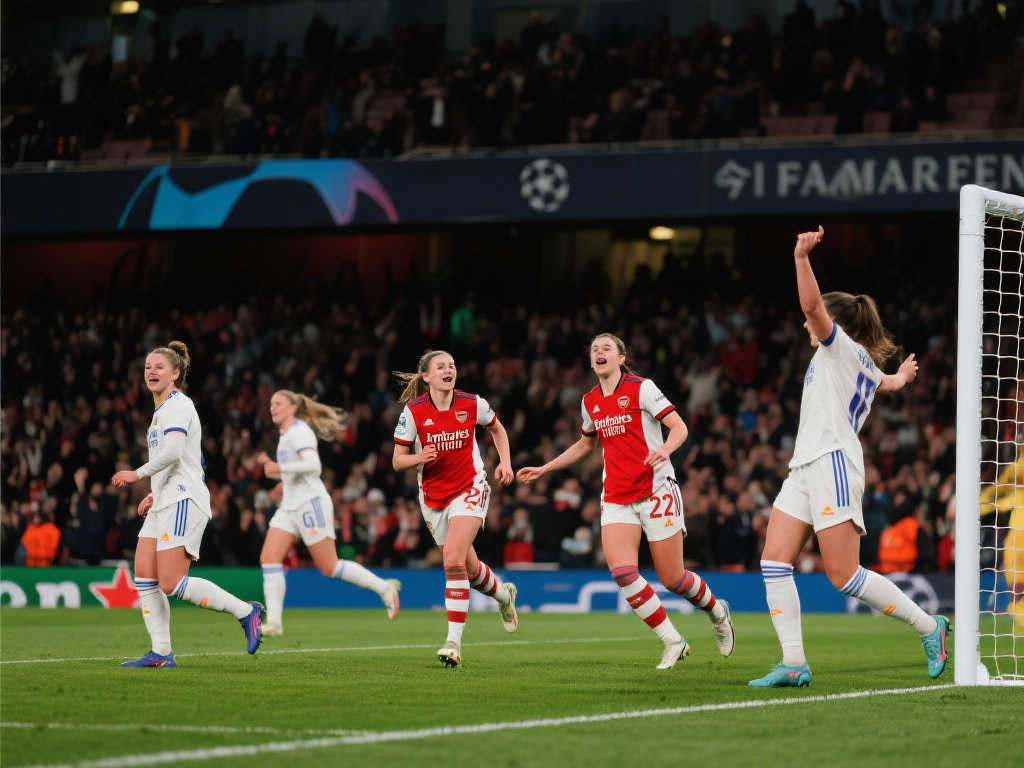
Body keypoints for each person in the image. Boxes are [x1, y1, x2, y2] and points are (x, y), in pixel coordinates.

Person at [749, 227, 947, 688]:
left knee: (843, 575)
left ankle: (928, 625)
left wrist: (801, 258)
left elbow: (811, 308)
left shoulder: (838, 347)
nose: (806, 325)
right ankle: (794, 662)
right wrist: (902, 376)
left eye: (818, 320)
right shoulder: (861, 362)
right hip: (804, 466)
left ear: (835, 321)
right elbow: (887, 383)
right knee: (774, 561)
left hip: (833, 462)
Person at [517, 333, 735, 670]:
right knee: (622, 572)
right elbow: (585, 445)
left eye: (606, 348)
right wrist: (546, 468)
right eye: (594, 349)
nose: (599, 352)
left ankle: (718, 613)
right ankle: (673, 640)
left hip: (656, 490)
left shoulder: (642, 388)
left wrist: (665, 449)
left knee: (673, 578)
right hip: (617, 496)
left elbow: (679, 427)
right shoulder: (590, 401)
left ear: (621, 358)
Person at [112, 341, 264, 667]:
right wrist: (155, 492)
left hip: (183, 499)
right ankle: (161, 652)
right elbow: (186, 460)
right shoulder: (161, 412)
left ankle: (246, 612)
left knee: (170, 583)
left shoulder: (178, 404)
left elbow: (174, 452)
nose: (151, 371)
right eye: (148, 366)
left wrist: (137, 474)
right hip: (166, 498)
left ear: (175, 373)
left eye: (159, 367)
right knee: (144, 575)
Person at [392, 350, 518, 667]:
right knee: (470, 570)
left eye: (452, 365)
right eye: (441, 367)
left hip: (470, 487)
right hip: (433, 498)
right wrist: (419, 458)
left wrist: (505, 461)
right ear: (426, 376)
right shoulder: (413, 412)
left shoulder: (472, 403)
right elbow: (397, 461)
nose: (448, 370)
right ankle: (504, 596)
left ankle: (453, 643)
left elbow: (497, 428)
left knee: (451, 561)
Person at [257, 390, 400, 636]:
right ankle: (275, 623)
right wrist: (282, 483)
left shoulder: (299, 431)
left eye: (278, 403)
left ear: (293, 407)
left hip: (310, 503)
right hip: (290, 506)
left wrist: (281, 468)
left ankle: (384, 588)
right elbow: (298, 471)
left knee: (329, 566)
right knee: (269, 558)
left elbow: (314, 466)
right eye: (271, 404)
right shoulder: (286, 434)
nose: (273, 407)